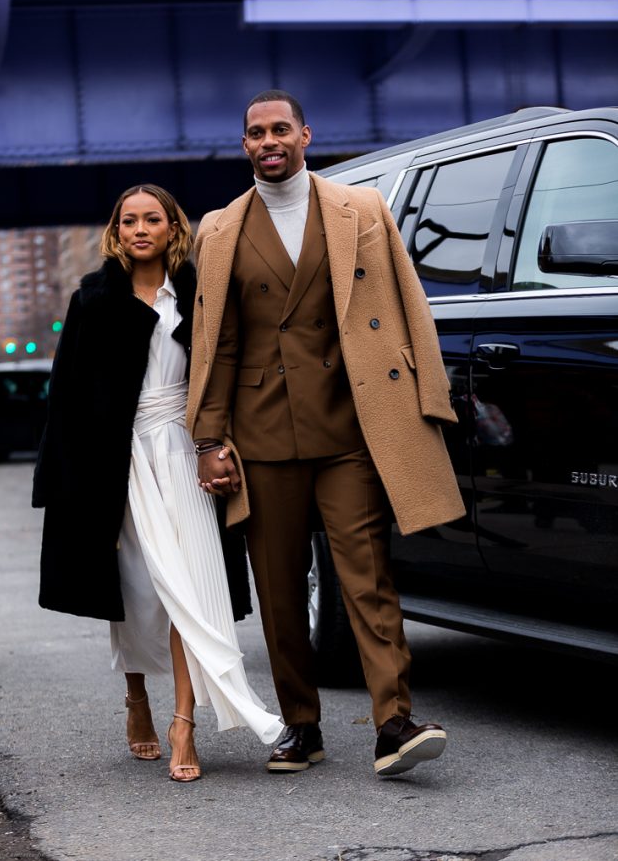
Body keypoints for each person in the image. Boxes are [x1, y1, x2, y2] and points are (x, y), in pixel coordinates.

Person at [186, 90, 466, 778]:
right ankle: (301, 727)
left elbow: (408, 298)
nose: (268, 141)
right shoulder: (218, 230)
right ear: (245, 145)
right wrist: (209, 439)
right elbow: (213, 342)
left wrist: (432, 398)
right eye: (255, 132)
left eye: (280, 128)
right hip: (261, 435)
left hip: (352, 424)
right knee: (280, 591)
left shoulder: (361, 208)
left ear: (306, 134)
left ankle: (393, 723)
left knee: (366, 576)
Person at [33, 183, 282, 782]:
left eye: (152, 219)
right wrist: (63, 481)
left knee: (185, 586)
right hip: (117, 461)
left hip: (187, 452)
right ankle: (137, 698)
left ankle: (183, 722)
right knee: (137, 589)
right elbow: (66, 396)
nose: (140, 229)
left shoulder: (199, 293)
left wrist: (224, 447)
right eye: (128, 221)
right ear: (116, 232)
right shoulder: (92, 299)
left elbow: (229, 374)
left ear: (174, 227)